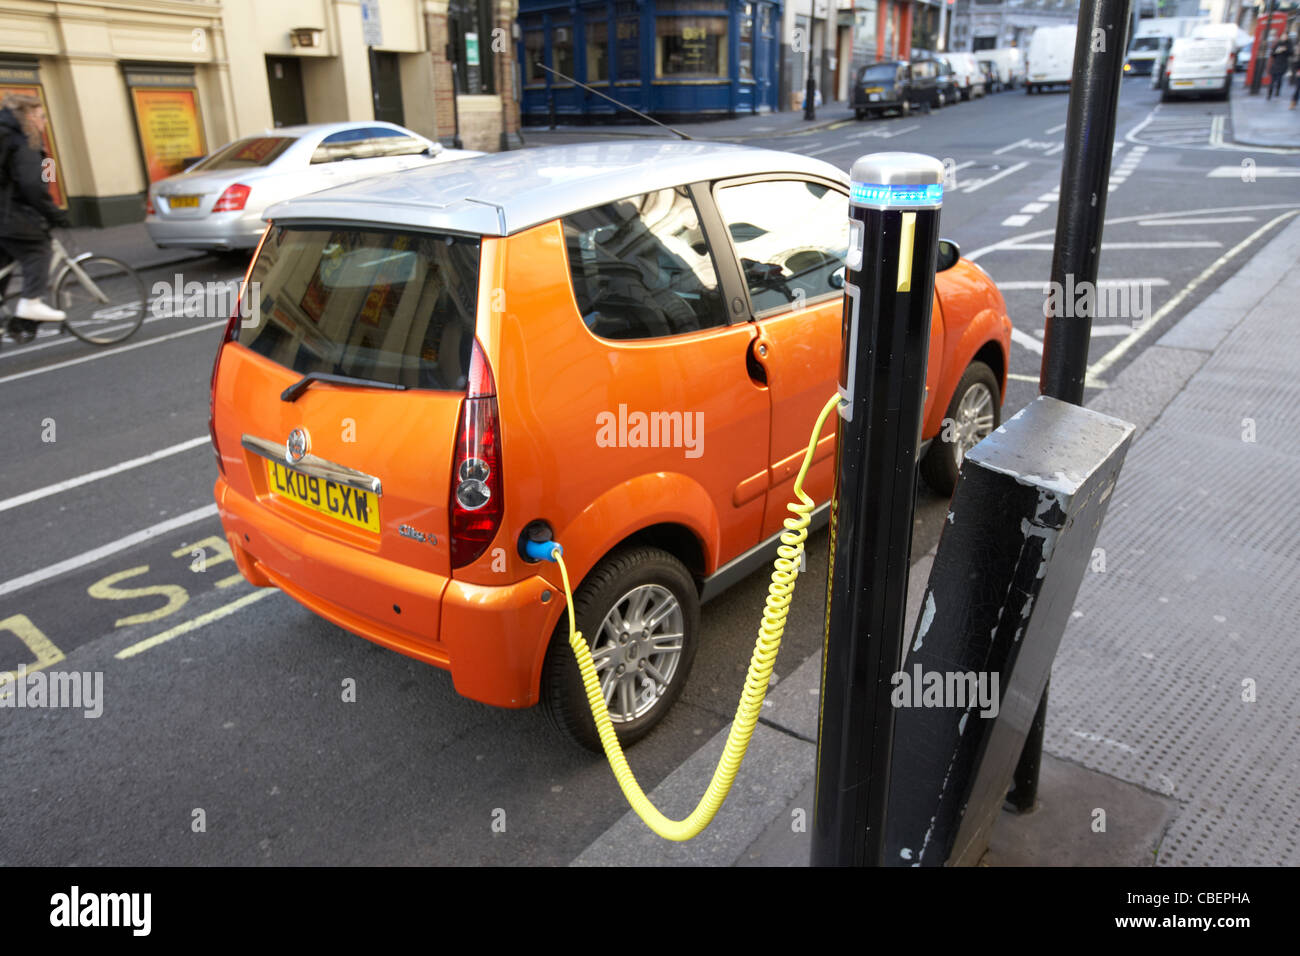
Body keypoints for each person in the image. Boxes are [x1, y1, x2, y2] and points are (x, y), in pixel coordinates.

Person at [0, 92, 70, 326]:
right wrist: (55, 214)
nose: (44, 122)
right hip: (10, 215)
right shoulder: (21, 141)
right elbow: (31, 185)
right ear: (29, 116)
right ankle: (31, 303)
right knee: (37, 250)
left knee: (5, 265)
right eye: (42, 116)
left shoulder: (5, 135)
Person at [1265, 33, 1293, 101]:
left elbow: (1291, 53)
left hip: (1283, 64)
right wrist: (1277, 51)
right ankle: (1269, 94)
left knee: (1279, 79)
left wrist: (1285, 50)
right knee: (1272, 81)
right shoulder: (1277, 44)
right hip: (1275, 64)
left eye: (1285, 36)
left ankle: (1277, 90)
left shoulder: (1288, 45)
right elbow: (1272, 54)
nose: (1284, 37)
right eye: (1283, 36)